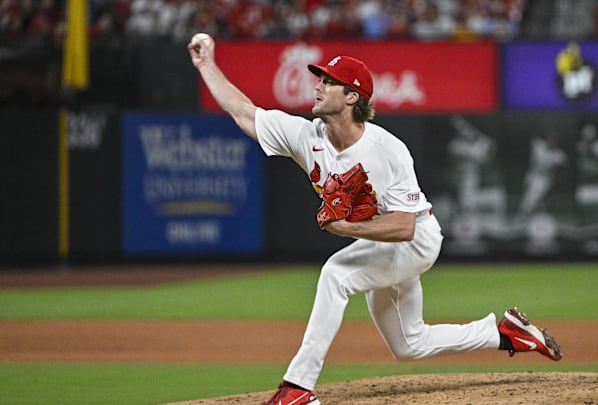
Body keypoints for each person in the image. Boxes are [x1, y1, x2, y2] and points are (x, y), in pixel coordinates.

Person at [187, 32, 562, 405]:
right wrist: (207, 65)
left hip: (416, 240)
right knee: (408, 343)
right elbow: (243, 112)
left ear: (352, 97)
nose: (318, 85)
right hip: (379, 243)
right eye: (320, 78)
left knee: (336, 274)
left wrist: (347, 228)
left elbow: (405, 226)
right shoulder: (306, 136)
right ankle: (505, 334)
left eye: (330, 82)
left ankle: (298, 388)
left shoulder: (387, 150)